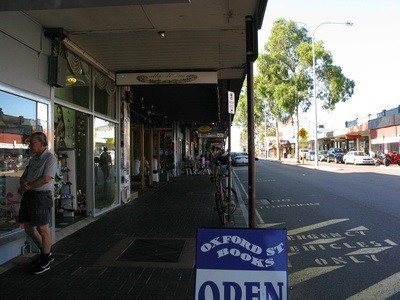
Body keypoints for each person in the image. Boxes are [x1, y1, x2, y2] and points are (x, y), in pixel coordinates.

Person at [18, 132, 57, 275]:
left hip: (41, 197)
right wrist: (24, 184)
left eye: (33, 142)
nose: (30, 145)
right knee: (28, 227)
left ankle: (45, 260)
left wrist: (28, 186)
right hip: (29, 196)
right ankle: (45, 253)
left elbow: (46, 178)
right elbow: (24, 176)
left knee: (43, 229)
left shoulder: (50, 158)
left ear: (42, 143)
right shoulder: (33, 160)